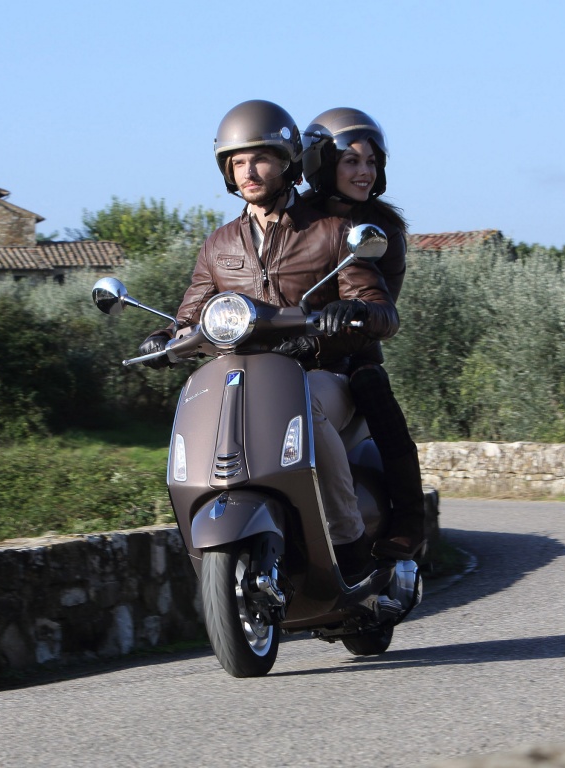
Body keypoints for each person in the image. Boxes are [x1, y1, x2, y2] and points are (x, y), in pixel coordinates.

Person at [137, 99, 399, 578]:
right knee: (199, 414)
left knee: (305, 405)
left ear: (287, 162)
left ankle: (348, 540)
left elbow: (384, 312)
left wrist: (355, 310)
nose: (249, 172)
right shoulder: (219, 244)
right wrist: (164, 337)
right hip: (243, 375)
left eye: (260, 158)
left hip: (322, 375)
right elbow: (190, 315)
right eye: (237, 162)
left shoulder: (332, 232)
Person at [301, 107, 428, 561]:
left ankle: (411, 520)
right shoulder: (296, 219)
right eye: (352, 160)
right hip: (288, 353)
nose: (365, 172)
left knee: (372, 385)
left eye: (372, 162)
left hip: (350, 353)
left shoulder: (383, 231)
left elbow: (381, 307)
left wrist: (354, 310)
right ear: (322, 164)